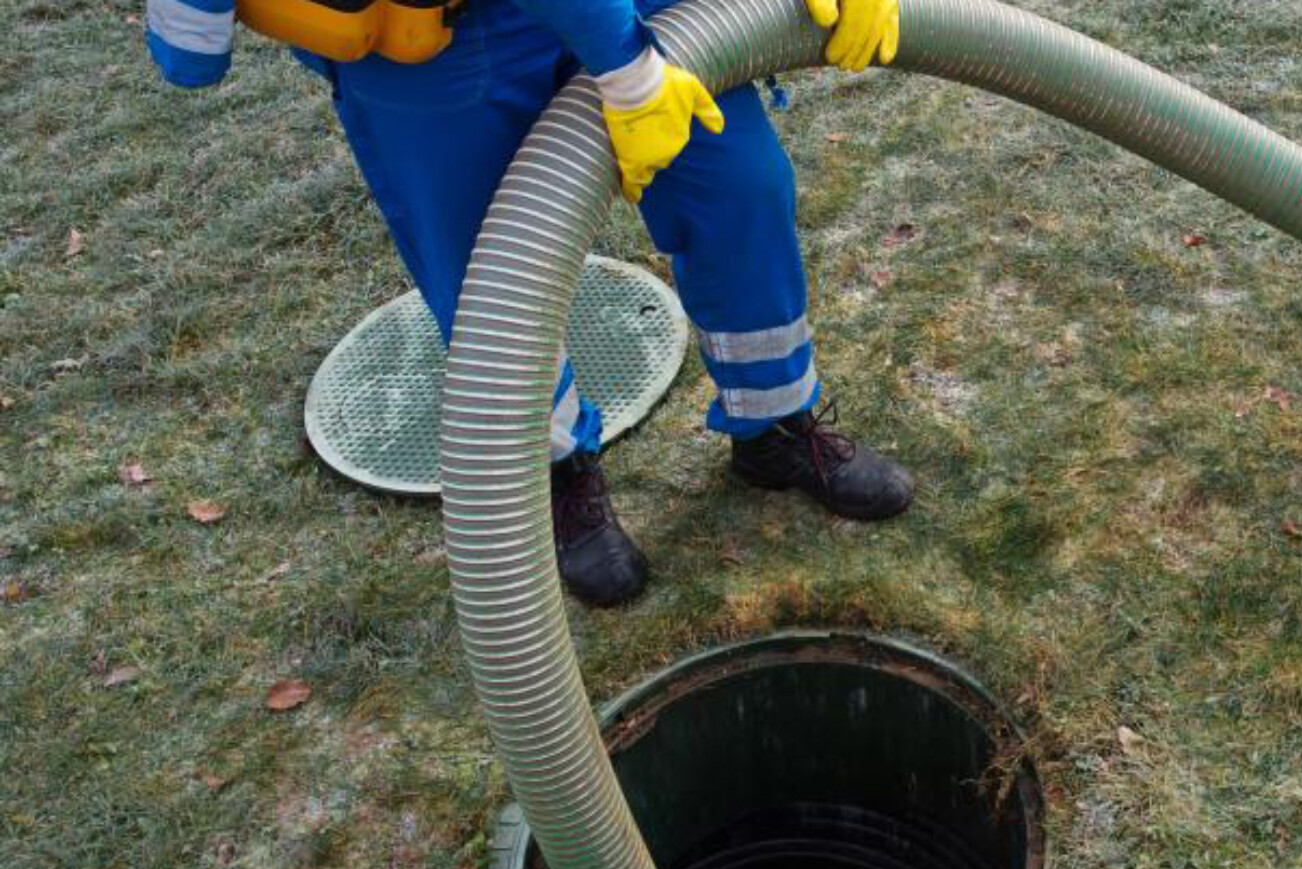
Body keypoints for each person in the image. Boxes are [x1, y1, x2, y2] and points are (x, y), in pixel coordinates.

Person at [146, 0, 914, 607]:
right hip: (432, 39)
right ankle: (560, 471)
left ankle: (774, 423)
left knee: (738, 187)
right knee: (489, 277)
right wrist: (627, 73)